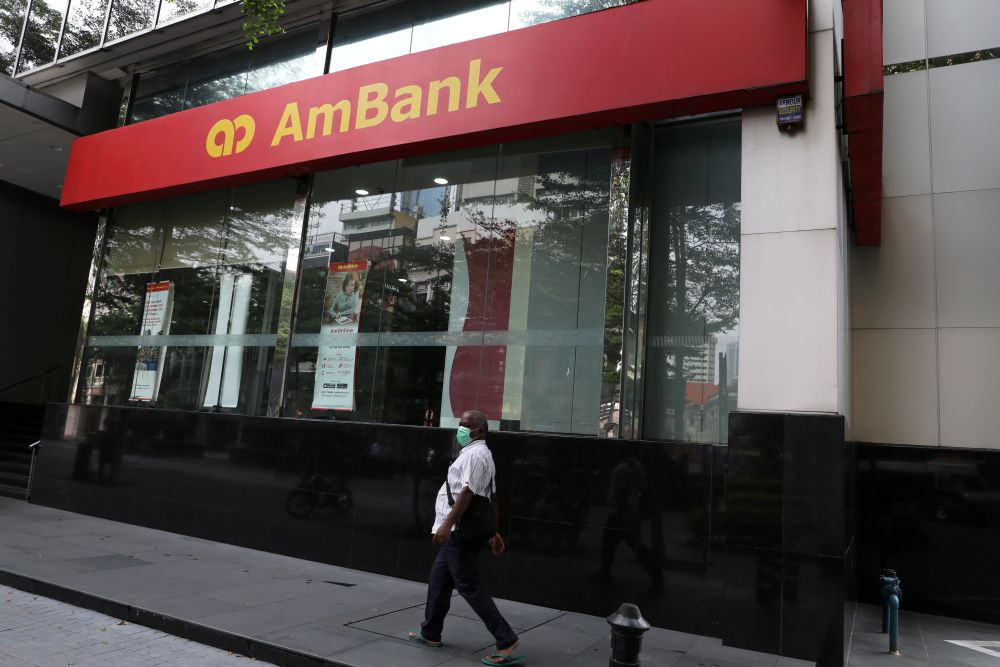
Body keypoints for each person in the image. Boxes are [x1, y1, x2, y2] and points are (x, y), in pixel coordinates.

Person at [408, 410, 524, 666]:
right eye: (460, 424)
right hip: (459, 532)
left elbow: (468, 494)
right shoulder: (479, 455)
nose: (460, 429)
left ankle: (506, 639)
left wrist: (447, 525)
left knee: (469, 586)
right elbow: (492, 497)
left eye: (465, 425)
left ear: (479, 430)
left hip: (459, 531)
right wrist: (493, 532)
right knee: (440, 579)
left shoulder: (476, 454)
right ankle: (430, 632)